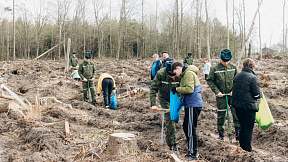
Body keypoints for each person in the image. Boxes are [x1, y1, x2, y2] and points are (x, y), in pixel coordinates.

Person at [206, 49, 240, 142]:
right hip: (221, 96)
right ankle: (221, 134)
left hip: (232, 96)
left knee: (236, 114)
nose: (225, 63)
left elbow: (238, 80)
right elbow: (210, 80)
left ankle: (238, 135)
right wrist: (217, 92)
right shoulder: (214, 68)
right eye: (224, 61)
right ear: (220, 59)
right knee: (221, 115)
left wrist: (234, 90)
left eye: (227, 61)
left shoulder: (233, 67)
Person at [171, 62, 203, 161]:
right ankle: (191, 150)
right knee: (186, 126)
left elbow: (189, 89)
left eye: (175, 72)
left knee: (190, 129)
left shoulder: (188, 74)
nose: (175, 74)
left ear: (178, 68)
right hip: (190, 104)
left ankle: (193, 153)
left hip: (193, 104)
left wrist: (177, 89)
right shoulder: (185, 75)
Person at [232, 58, 262, 152]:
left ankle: (241, 148)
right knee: (248, 129)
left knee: (242, 128)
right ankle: (248, 149)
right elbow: (256, 94)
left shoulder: (237, 76)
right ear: (252, 67)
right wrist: (260, 94)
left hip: (237, 107)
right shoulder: (253, 78)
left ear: (243, 66)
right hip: (249, 108)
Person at [150, 62, 180, 151]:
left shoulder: (180, 74)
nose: (172, 77)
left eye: (174, 75)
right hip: (163, 98)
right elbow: (153, 88)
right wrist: (153, 104)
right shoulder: (160, 74)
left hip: (175, 97)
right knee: (170, 119)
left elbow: (183, 89)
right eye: (170, 75)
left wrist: (179, 104)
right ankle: (174, 144)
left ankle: (169, 142)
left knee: (172, 119)